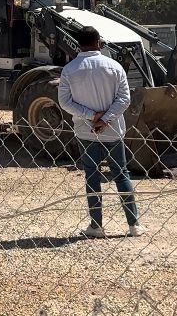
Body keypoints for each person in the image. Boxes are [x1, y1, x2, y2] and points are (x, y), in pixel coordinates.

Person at [57, 26, 143, 239]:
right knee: (121, 174)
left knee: (92, 176)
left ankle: (96, 226)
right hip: (113, 131)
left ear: (78, 43)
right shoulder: (114, 67)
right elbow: (124, 99)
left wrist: (90, 115)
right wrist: (105, 119)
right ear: (98, 43)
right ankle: (134, 225)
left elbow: (64, 102)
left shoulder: (69, 70)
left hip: (86, 132)